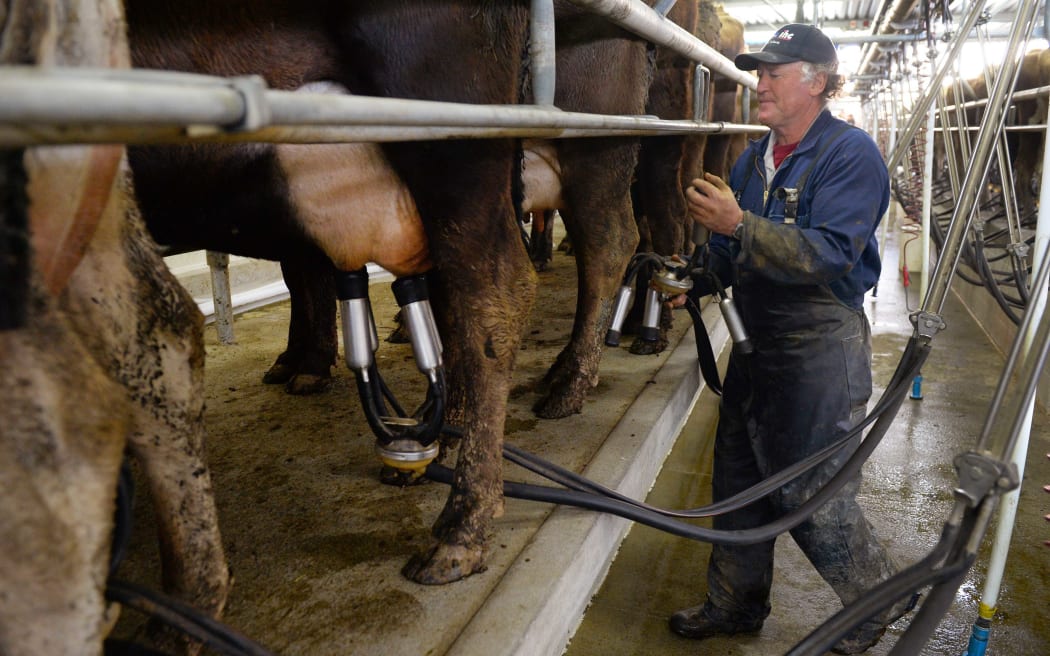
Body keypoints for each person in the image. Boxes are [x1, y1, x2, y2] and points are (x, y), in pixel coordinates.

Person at [668, 23, 915, 654]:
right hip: (755, 340)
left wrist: (738, 223)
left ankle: (874, 603)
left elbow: (832, 253)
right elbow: (731, 250)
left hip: (818, 348)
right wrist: (699, 277)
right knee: (739, 483)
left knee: (814, 492)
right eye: (759, 73)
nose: (760, 85)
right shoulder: (752, 159)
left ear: (818, 82)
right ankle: (734, 604)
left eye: (774, 73)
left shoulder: (850, 154)